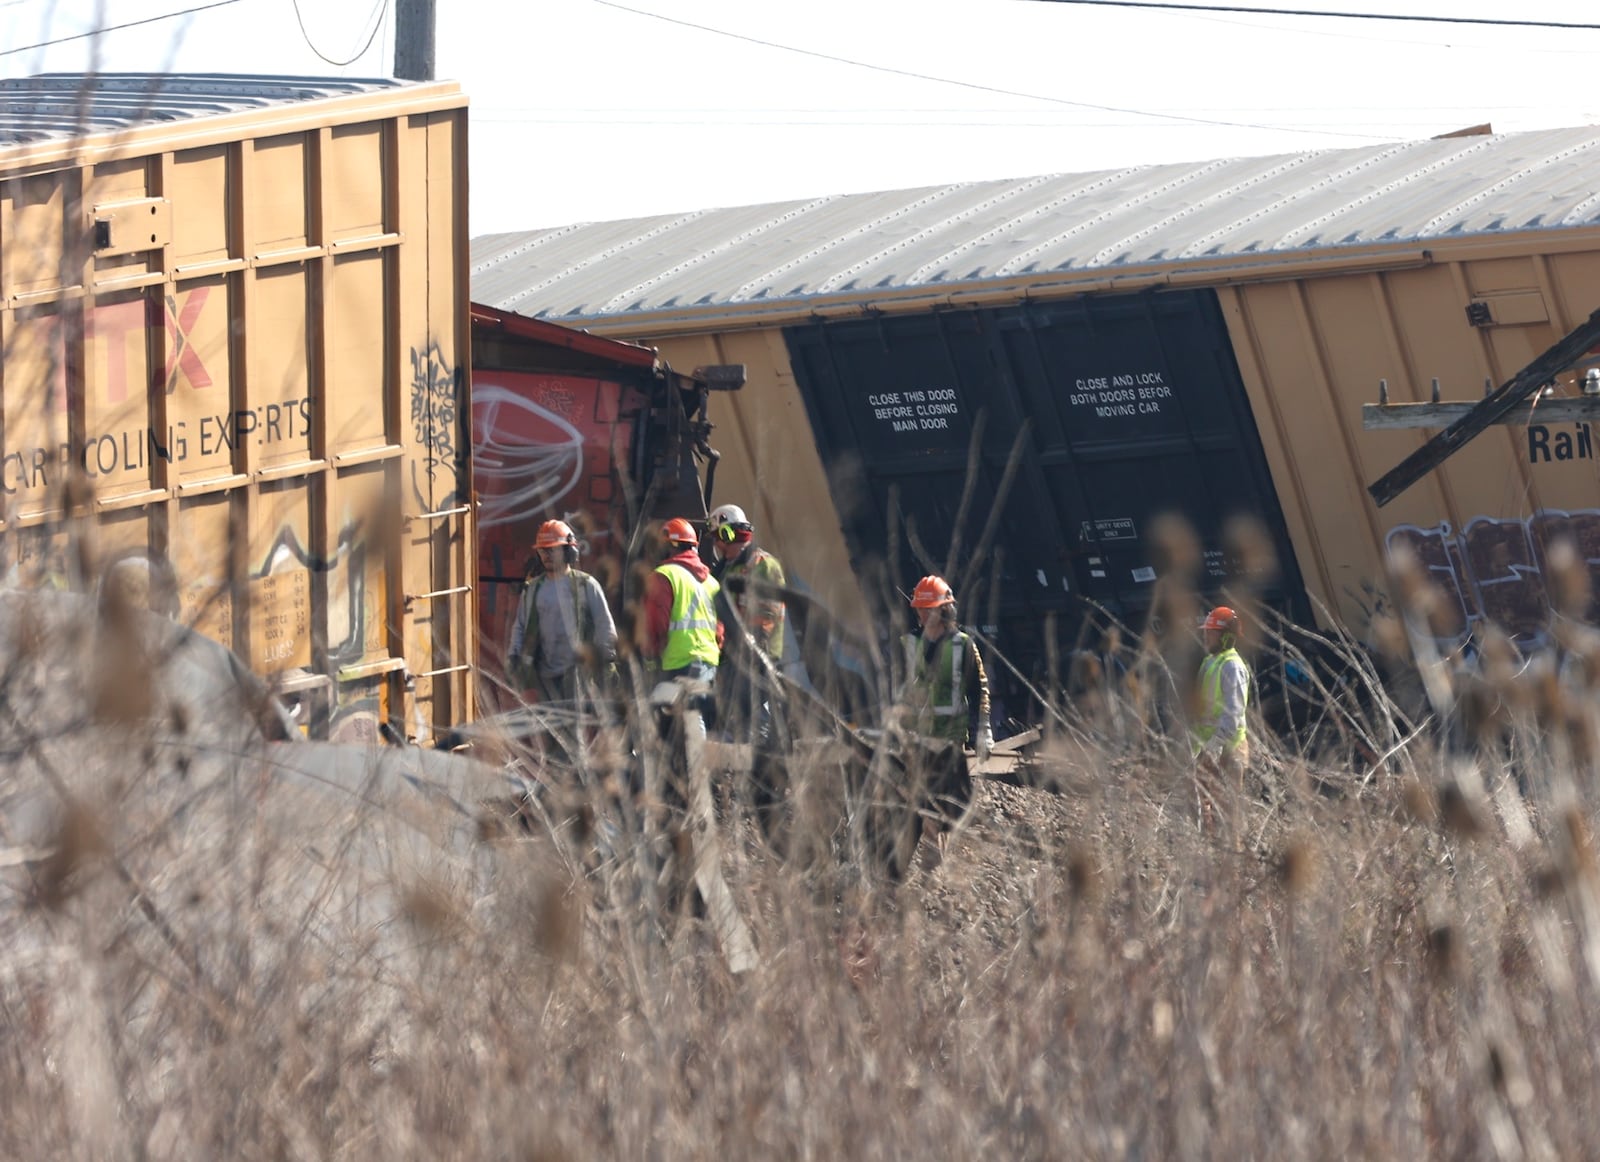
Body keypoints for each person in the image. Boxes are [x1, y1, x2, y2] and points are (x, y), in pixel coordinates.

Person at [508, 519, 617, 703]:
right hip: (543, 677)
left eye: (552, 549)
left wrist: (605, 663)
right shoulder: (533, 589)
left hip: (577, 675)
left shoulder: (586, 585)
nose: (547, 555)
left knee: (572, 729)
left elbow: (604, 625)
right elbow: (520, 625)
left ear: (568, 551)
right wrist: (514, 656)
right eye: (543, 550)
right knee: (548, 729)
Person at [706, 503, 786, 740]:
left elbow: (765, 616)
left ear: (726, 535)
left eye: (716, 537)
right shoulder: (723, 571)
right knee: (733, 717)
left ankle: (762, 767)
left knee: (755, 716)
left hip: (756, 655)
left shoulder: (762, 565)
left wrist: (754, 653)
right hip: (731, 656)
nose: (716, 545)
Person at [1191, 605, 1251, 835]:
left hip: (1228, 749)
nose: (1205, 636)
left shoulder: (1232, 666)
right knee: (1201, 804)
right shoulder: (1210, 662)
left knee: (1226, 809)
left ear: (1226, 637)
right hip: (1207, 747)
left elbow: (1233, 715)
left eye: (1211, 632)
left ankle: (1232, 858)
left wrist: (1213, 747)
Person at [642, 516, 723, 682]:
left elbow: (656, 623)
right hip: (709, 664)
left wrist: (651, 653)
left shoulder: (664, 576)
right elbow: (720, 630)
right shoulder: (712, 582)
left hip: (678, 664)